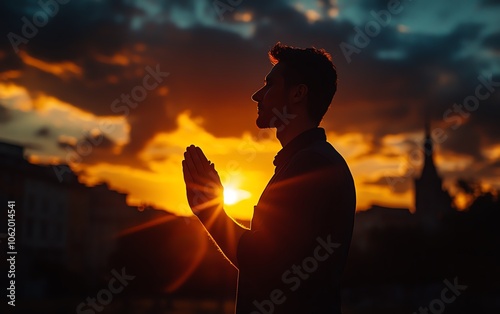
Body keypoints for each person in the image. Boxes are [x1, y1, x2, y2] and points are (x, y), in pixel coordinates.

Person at [182, 42, 356, 314]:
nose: (256, 95)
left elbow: (260, 262)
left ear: (298, 93)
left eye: (269, 85)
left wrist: (209, 210)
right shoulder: (307, 161)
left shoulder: (312, 164)